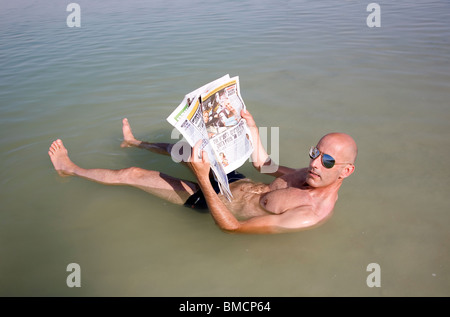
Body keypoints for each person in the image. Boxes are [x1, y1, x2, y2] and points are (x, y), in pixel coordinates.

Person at [48, 110, 357, 234]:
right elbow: (263, 166)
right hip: (234, 180)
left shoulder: (308, 214)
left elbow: (233, 228)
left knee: (131, 173)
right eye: (315, 153)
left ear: (345, 170)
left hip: (213, 201)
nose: (315, 163)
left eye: (327, 160)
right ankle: (135, 141)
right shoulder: (308, 174)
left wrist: (201, 177)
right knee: (182, 149)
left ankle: (69, 169)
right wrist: (252, 129)